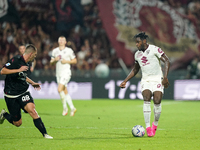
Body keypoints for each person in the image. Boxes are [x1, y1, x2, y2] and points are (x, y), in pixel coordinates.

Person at [119, 32, 170, 137]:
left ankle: (154, 125)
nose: (136, 44)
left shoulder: (155, 49)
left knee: (157, 101)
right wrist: (125, 80)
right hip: (146, 80)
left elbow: (167, 61)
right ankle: (148, 128)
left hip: (157, 79)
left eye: (138, 42)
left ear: (144, 41)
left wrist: (165, 77)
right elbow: (135, 69)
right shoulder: (137, 55)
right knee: (146, 98)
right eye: (136, 42)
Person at [0, 44, 53, 139]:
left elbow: (23, 76)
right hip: (11, 95)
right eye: (35, 55)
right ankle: (4, 114)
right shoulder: (15, 60)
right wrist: (18, 70)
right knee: (18, 123)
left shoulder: (27, 63)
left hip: (23, 92)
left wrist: (32, 83)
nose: (35, 57)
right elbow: (3, 71)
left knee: (32, 111)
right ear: (31, 54)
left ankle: (45, 134)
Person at [50, 36, 77, 116]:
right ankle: (72, 108)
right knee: (65, 91)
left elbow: (75, 60)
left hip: (66, 72)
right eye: (60, 40)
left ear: (65, 42)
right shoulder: (55, 51)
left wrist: (67, 61)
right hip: (58, 73)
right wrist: (55, 59)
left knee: (59, 89)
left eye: (63, 40)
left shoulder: (69, 50)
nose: (61, 41)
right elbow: (51, 62)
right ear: (58, 41)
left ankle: (65, 108)